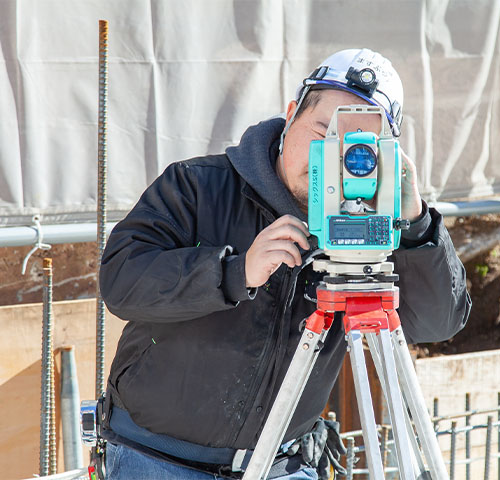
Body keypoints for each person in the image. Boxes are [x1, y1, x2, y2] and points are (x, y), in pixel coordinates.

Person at [99, 48, 471, 480]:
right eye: (322, 131)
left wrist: (417, 226)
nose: (331, 155)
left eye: (356, 147)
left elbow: (437, 324)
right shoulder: (198, 186)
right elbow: (122, 280)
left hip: (282, 464)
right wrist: (236, 272)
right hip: (157, 459)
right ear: (292, 113)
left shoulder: (378, 228)